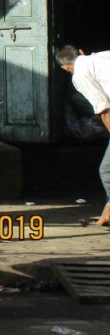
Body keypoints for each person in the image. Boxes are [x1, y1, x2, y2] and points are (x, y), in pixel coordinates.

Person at [56, 45, 110, 227]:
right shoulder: (102, 56)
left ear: (65, 68)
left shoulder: (79, 75)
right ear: (81, 51)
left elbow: (104, 109)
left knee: (107, 171)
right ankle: (108, 213)